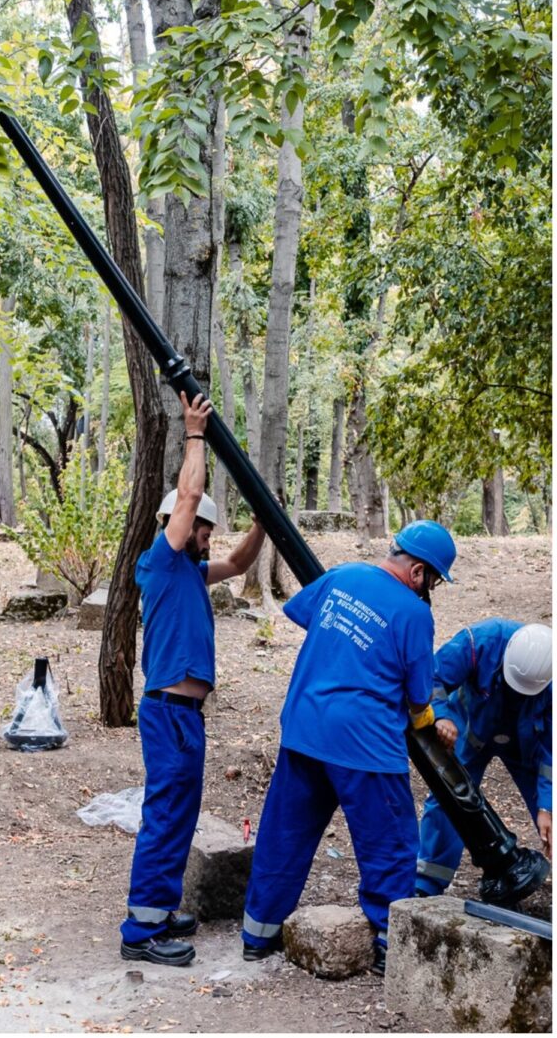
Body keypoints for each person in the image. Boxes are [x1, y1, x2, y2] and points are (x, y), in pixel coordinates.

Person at [240, 518, 456, 975]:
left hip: (304, 727)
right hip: (366, 745)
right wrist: (427, 720)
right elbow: (419, 697)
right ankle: (387, 948)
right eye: (433, 579)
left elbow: (303, 614)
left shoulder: (341, 576)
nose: (430, 588)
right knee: (391, 844)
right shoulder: (415, 613)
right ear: (418, 573)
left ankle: (258, 934)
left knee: (284, 833)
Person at [121, 391, 265, 967]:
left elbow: (238, 565)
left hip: (186, 716)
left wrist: (262, 525)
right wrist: (195, 433)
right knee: (165, 815)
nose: (208, 535)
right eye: (203, 527)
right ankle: (142, 930)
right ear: (180, 525)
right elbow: (187, 494)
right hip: (168, 713)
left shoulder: (193, 569)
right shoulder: (160, 560)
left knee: (180, 815)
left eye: (206, 528)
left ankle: (161, 907)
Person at [415, 620, 552, 894]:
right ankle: (426, 884)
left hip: (528, 743)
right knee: (449, 798)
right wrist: (441, 716)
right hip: (470, 731)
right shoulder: (481, 642)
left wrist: (546, 807)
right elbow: (432, 677)